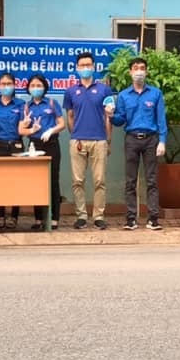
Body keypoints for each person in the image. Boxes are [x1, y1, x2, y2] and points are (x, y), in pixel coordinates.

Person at [109, 56, 168, 231]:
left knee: (152, 180)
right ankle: (131, 219)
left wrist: (162, 141)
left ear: (147, 72)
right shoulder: (123, 95)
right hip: (132, 139)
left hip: (151, 139)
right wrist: (111, 115)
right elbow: (120, 120)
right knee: (130, 181)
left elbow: (161, 119)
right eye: (135, 68)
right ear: (130, 72)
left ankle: (153, 218)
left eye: (142, 68)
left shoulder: (155, 93)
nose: (139, 71)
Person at [63, 51, 114, 230]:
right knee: (77, 181)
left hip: (99, 141)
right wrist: (75, 134)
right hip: (78, 140)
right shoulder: (70, 91)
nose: (85, 68)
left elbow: (108, 117)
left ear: (94, 67)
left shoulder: (104, 90)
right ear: (77, 68)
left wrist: (108, 140)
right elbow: (70, 116)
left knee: (100, 181)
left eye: (88, 65)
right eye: (82, 65)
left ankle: (98, 216)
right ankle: (81, 216)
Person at [19, 73, 65, 230]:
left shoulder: (51, 103)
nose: (36, 88)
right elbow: (21, 131)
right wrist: (29, 127)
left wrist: (51, 130)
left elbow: (62, 124)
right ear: (28, 88)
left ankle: (54, 218)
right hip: (34, 145)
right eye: (32, 86)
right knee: (36, 181)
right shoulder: (26, 107)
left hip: (51, 144)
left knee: (53, 180)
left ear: (44, 87)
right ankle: (38, 218)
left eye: (39, 85)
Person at [0, 71, 26, 228]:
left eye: (9, 84)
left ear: (14, 86)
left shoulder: (21, 104)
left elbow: (24, 125)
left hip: (16, 145)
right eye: (3, 84)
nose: (6, 86)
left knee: (16, 182)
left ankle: (14, 216)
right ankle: (1, 215)